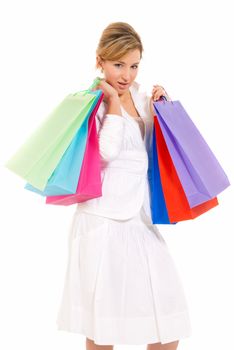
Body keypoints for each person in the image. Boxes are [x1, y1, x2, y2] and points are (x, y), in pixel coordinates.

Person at [56, 22, 192, 350]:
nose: (126, 75)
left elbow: (159, 149)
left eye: (133, 66)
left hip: (139, 217)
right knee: (104, 322)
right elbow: (106, 152)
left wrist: (163, 107)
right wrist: (113, 104)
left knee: (165, 316)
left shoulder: (140, 96)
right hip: (103, 220)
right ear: (100, 61)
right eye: (118, 65)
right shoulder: (91, 101)